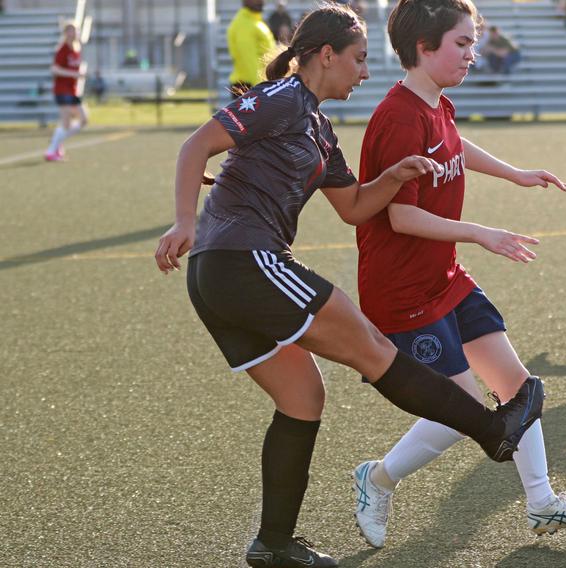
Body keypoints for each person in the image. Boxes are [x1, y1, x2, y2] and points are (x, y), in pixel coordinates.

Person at [154, 6, 543, 567]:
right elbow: (196, 146)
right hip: (243, 260)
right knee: (373, 346)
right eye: (358, 60)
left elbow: (356, 209)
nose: (364, 74)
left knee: (303, 398)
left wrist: (395, 176)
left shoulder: (318, 126)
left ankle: (274, 543)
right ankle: (493, 430)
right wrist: (184, 221)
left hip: (223, 275)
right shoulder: (284, 98)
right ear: (326, 55)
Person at [351, 0, 566, 549]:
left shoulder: (434, 102)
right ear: (423, 47)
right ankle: (376, 478)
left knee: (517, 387)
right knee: (458, 411)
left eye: (472, 43)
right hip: (402, 291)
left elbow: (452, 147)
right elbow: (401, 216)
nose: (472, 54)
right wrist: (481, 232)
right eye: (461, 44)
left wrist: (514, 174)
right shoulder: (398, 116)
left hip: (443, 275)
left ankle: (542, 503)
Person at [45, 23, 88, 162]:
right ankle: (51, 150)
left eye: (74, 31)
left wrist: (80, 74)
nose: (72, 34)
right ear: (65, 34)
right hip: (62, 90)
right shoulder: (62, 49)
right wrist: (73, 74)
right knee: (66, 123)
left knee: (83, 120)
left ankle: (58, 140)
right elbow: (54, 70)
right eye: (69, 31)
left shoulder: (76, 49)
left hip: (73, 91)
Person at [227, 0, 276, 95]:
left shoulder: (255, 21)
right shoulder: (244, 24)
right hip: (249, 85)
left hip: (256, 83)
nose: (261, 2)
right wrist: (260, 87)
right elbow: (248, 58)